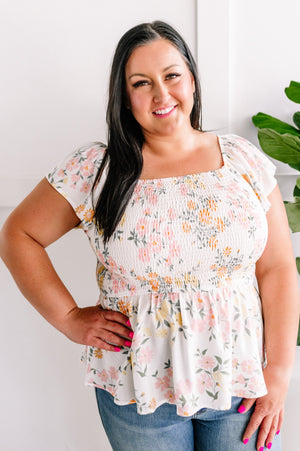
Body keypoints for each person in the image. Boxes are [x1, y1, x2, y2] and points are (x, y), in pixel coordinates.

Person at [0, 20, 299, 451]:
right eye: (142, 83)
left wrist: (279, 372)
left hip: (242, 382)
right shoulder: (97, 170)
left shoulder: (241, 160)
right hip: (138, 392)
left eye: (172, 75)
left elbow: (276, 269)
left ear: (192, 80)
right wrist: (68, 318)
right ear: (125, 97)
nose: (161, 94)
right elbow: (18, 234)